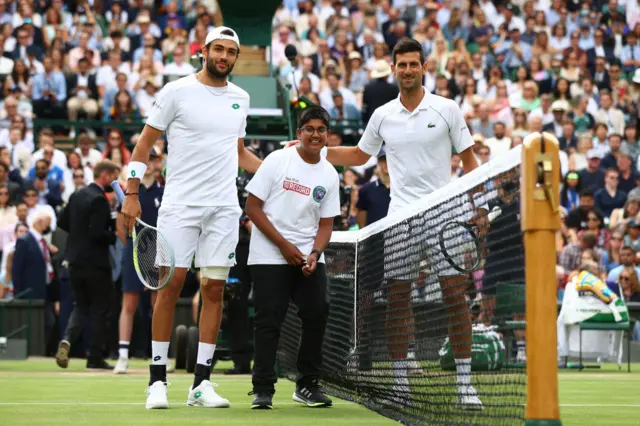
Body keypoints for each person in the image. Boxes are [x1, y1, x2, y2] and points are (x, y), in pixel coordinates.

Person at [287, 38, 482, 408]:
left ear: (425, 68)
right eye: (401, 65)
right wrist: (311, 149)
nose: (407, 70)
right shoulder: (382, 115)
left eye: (413, 64)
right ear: (393, 70)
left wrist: (479, 208)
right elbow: (360, 155)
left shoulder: (447, 109)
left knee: (456, 296)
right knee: (397, 299)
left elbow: (470, 163)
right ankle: (399, 383)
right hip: (401, 216)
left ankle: (464, 382)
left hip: (446, 215)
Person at [120, 27, 261, 410]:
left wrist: (278, 171)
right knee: (169, 285)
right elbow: (144, 145)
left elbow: (239, 153)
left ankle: (201, 383)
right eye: (218, 49)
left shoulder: (240, 98)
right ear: (204, 52)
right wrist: (132, 193)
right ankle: (157, 381)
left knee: (215, 290)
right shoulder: (176, 91)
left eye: (231, 51)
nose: (224, 56)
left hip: (223, 209)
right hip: (180, 205)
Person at [245, 106, 340, 409]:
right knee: (268, 319)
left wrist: (314, 254)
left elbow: (326, 224)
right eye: (309, 129)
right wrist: (285, 247)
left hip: (307, 257)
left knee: (317, 312)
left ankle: (307, 385)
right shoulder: (276, 161)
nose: (315, 134)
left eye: (321, 129)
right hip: (269, 254)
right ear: (299, 133)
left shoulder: (330, 173)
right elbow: (253, 208)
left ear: (327, 135)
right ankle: (262, 388)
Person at [55, 160, 122, 370]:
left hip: (74, 261)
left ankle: (67, 338)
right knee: (100, 309)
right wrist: (113, 236)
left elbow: (62, 222)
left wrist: (78, 233)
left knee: (81, 306)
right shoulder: (99, 200)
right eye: (114, 176)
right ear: (104, 175)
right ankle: (94, 357)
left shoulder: (76, 195)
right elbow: (96, 233)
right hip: (96, 264)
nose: (115, 181)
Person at [114, 151, 164, 374]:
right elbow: (120, 227)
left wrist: (154, 251)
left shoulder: (165, 192)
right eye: (148, 160)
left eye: (154, 160)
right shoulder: (131, 192)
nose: (151, 163)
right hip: (134, 250)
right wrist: (137, 249)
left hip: (159, 251)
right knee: (129, 304)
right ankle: (123, 356)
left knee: (158, 304)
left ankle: (160, 357)